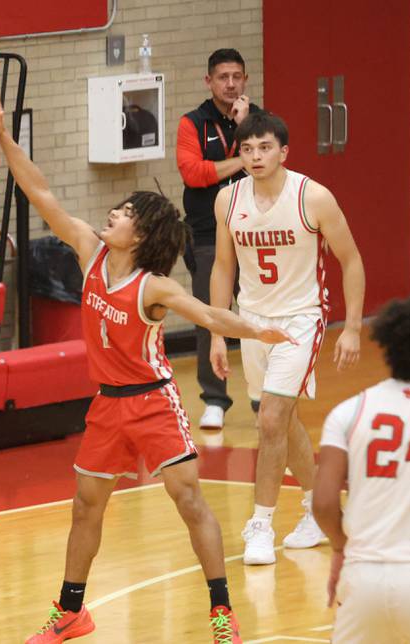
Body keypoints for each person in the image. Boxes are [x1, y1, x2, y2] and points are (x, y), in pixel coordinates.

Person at [0, 87, 296, 644]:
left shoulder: (152, 286)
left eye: (126, 213)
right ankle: (71, 611)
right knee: (85, 506)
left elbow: (209, 313)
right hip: (107, 405)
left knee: (189, 500)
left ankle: (221, 612)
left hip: (153, 402)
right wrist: (4, 139)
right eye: (118, 209)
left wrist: (256, 329)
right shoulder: (89, 251)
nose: (113, 214)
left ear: (144, 235)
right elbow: (41, 192)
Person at [209, 111, 366, 565]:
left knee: (271, 418)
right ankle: (320, 510)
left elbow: (351, 260)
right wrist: (219, 332)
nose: (255, 157)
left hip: (300, 320)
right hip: (252, 321)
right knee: (283, 418)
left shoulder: (313, 197)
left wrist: (353, 328)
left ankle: (261, 525)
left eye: (264, 148)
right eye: (247, 149)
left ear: (283, 152)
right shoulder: (228, 200)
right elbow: (223, 267)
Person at [313, 293, 410, 642]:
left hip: (362, 578)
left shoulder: (349, 411)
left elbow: (323, 504)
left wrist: (340, 546)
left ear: (387, 347)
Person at [177, 48, 260, 429]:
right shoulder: (192, 123)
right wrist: (245, 159)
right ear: (208, 81)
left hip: (253, 231)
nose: (230, 84)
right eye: (223, 77)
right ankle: (214, 399)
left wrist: (246, 129)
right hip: (207, 233)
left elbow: (272, 168)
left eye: (237, 77)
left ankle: (262, 397)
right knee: (210, 318)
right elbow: (194, 174)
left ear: (245, 80)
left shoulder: (259, 121)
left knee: (257, 316)